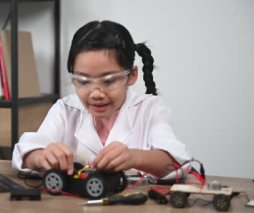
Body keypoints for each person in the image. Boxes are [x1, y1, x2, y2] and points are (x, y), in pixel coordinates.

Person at [12, 20, 191, 179]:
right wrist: (40, 156)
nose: (96, 93)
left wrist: (134, 157)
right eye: (83, 81)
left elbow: (176, 162)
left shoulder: (151, 109)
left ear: (132, 76)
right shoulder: (66, 109)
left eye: (109, 81)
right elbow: (25, 153)